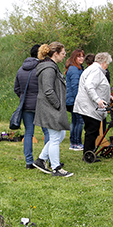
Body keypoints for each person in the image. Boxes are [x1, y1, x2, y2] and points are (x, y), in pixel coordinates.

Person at [33, 42, 73, 177]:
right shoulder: (49, 68)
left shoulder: (51, 66)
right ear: (55, 54)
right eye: (63, 53)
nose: (65, 56)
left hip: (51, 107)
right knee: (55, 137)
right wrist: (57, 105)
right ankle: (56, 168)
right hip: (50, 107)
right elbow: (48, 90)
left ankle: (41, 160)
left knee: (60, 135)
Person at [14, 44, 49, 169]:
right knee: (47, 132)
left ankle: (29, 162)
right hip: (41, 104)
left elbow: (16, 88)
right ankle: (47, 159)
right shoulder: (42, 68)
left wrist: (24, 97)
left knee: (28, 133)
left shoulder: (20, 69)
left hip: (26, 105)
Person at [74, 52, 113, 161]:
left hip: (88, 105)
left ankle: (90, 152)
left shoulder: (93, 69)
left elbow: (99, 87)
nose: (107, 66)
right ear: (104, 62)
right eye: (107, 64)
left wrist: (109, 97)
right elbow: (89, 86)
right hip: (89, 106)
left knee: (92, 130)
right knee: (92, 130)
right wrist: (98, 100)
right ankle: (88, 154)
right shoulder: (96, 71)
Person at [64, 49, 85, 151]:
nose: (81, 58)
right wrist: (79, 99)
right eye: (79, 56)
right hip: (75, 99)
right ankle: (76, 143)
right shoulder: (74, 69)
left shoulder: (76, 68)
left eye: (82, 56)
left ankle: (73, 142)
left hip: (72, 99)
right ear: (74, 57)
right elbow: (75, 86)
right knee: (79, 121)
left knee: (75, 121)